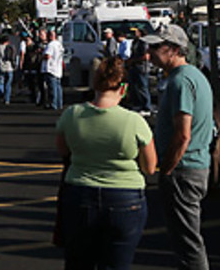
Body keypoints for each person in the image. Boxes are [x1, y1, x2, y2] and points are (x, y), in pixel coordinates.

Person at [56, 57, 157, 270]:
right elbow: (149, 167)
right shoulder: (134, 121)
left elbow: (64, 151)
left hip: (80, 192)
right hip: (125, 196)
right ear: (124, 88)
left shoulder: (72, 114)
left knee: (78, 262)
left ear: (95, 84)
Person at [143, 23, 213, 270]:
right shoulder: (194, 76)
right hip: (194, 166)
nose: (149, 53)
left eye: (155, 47)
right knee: (186, 238)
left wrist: (167, 169)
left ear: (173, 49)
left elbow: (183, 135)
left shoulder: (180, 81)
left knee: (187, 242)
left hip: (184, 170)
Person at [43, 29, 65, 111]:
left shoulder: (51, 45)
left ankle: (53, 104)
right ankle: (60, 104)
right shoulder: (59, 45)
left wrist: (42, 56)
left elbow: (48, 55)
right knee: (58, 87)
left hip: (51, 68)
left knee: (52, 87)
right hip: (58, 69)